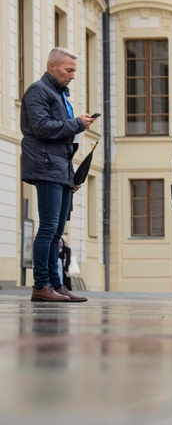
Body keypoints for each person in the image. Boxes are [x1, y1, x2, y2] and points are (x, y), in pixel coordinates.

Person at [20, 47, 95, 303]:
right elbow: (42, 128)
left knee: (57, 232)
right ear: (52, 66)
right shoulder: (38, 91)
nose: (73, 75)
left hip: (58, 168)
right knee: (49, 228)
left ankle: (56, 284)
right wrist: (77, 123)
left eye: (74, 70)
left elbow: (62, 140)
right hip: (45, 166)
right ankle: (41, 285)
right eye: (69, 69)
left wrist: (70, 176)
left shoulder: (60, 94)